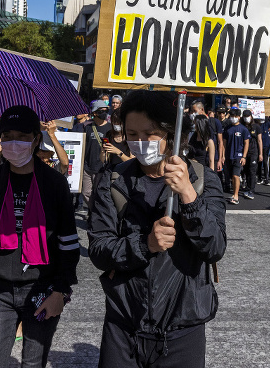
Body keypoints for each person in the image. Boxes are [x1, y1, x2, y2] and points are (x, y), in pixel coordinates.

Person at [87, 90, 227, 368]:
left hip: (183, 326)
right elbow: (99, 250)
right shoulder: (113, 180)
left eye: (150, 134)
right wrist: (145, 244)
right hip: (123, 323)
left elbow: (214, 247)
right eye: (131, 134)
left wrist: (188, 195)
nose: (140, 142)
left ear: (172, 135)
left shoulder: (203, 180)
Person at [0, 105, 79, 368]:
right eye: (6, 136)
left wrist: (61, 291)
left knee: (33, 363)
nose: (13, 142)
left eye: (21, 136)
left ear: (35, 139)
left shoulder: (54, 183)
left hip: (42, 287)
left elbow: (68, 241)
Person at [78, 100, 112, 209]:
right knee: (86, 192)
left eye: (106, 110)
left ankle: (94, 216)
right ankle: (93, 211)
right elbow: (84, 146)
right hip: (87, 166)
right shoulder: (87, 128)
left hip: (102, 167)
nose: (105, 113)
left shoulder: (110, 128)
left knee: (99, 193)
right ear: (95, 113)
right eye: (102, 111)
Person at [224, 108, 249, 204]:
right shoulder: (227, 128)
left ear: (239, 117)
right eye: (231, 116)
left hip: (238, 156)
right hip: (228, 156)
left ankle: (236, 195)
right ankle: (234, 193)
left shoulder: (243, 129)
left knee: (236, 175)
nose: (233, 118)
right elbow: (224, 143)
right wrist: (223, 155)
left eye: (235, 116)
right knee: (231, 176)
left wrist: (244, 156)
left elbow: (246, 143)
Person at [240, 109, 262, 201]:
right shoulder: (242, 126)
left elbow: (259, 140)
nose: (246, 118)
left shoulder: (256, 127)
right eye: (244, 116)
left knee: (252, 171)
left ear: (251, 116)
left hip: (254, 152)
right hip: (244, 152)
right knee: (245, 170)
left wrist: (260, 154)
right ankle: (248, 186)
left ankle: (251, 190)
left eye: (248, 116)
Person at [258, 116, 270, 186]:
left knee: (265, 161)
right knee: (259, 162)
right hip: (258, 145)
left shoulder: (266, 123)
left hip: (265, 145)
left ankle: (266, 178)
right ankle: (259, 177)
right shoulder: (256, 124)